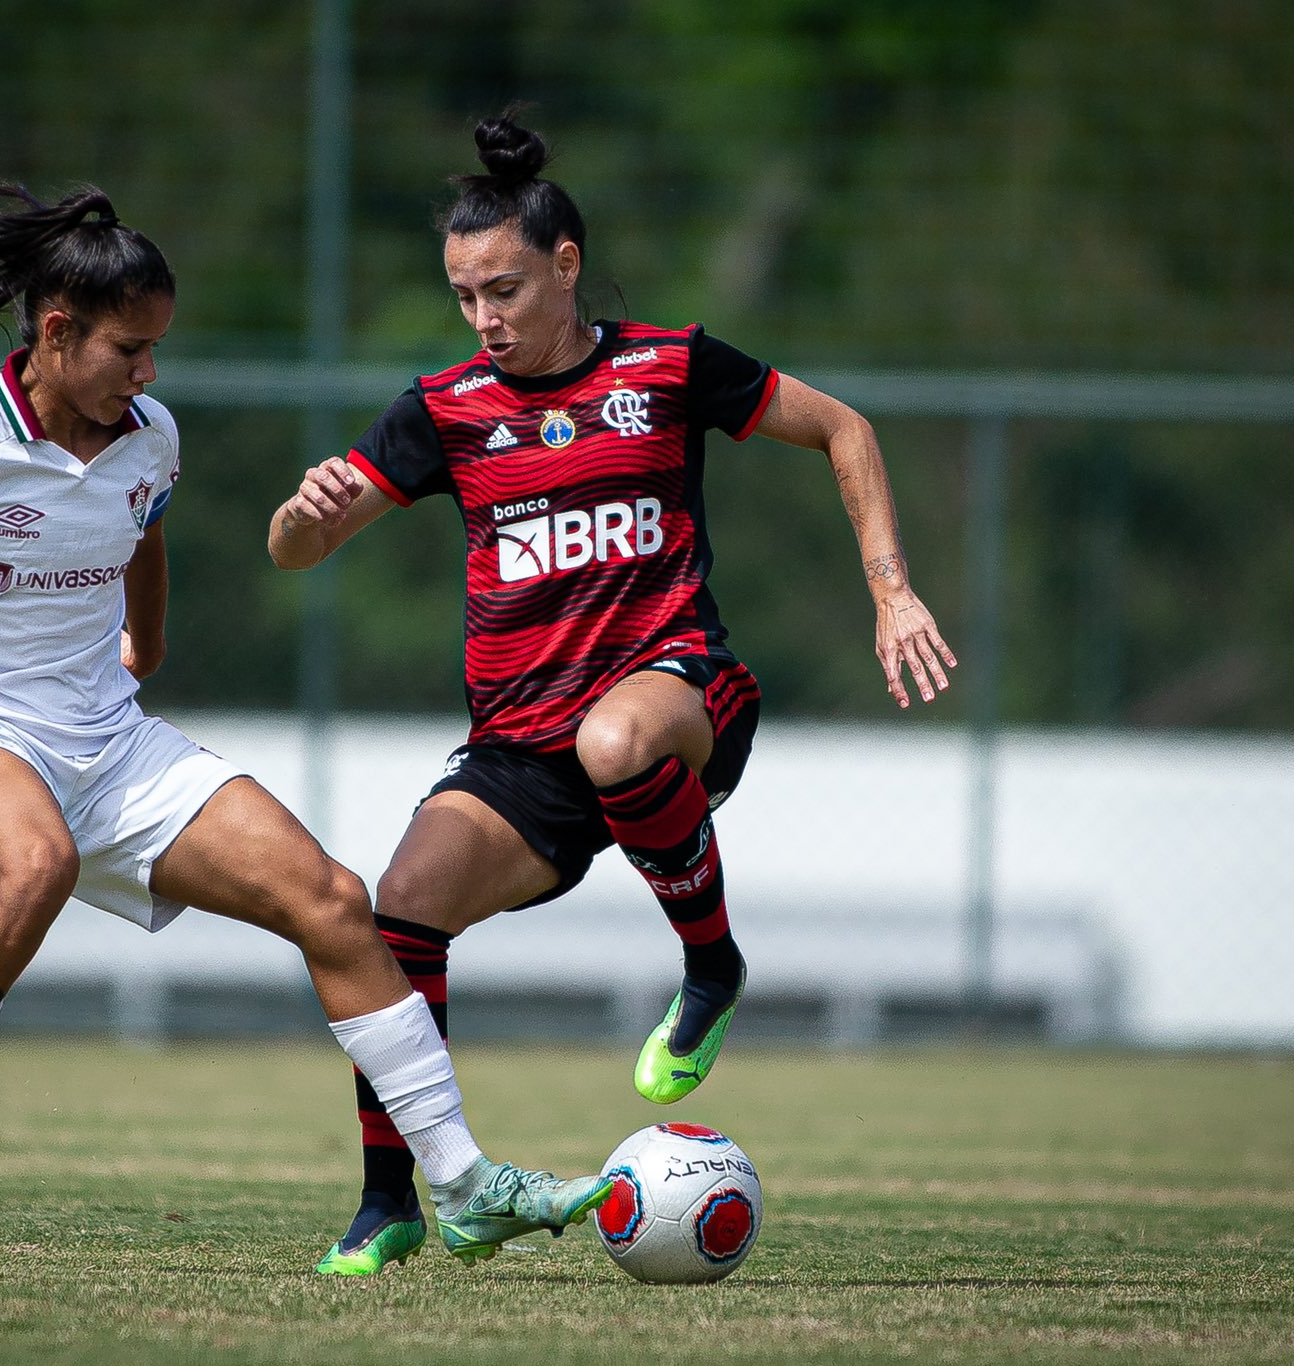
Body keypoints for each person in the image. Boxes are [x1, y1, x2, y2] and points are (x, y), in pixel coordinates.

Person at [0, 178, 611, 1270]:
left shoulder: (147, 434)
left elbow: (144, 532)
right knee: (34, 862)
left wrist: (143, 650)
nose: (148, 374)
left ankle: (462, 1184)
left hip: (109, 741)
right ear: (57, 333)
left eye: (156, 349)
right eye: (128, 349)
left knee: (334, 900)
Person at [269, 115, 957, 1276]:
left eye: (504, 289)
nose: (483, 318)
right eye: (462, 296)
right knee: (398, 908)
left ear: (565, 265)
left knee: (615, 734)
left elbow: (844, 428)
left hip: (677, 698)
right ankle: (393, 1197)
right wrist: (302, 518)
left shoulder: (668, 366)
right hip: (519, 750)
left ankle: (709, 965)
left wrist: (889, 590)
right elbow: (294, 555)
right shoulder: (440, 410)